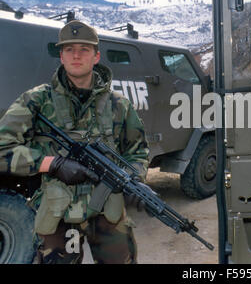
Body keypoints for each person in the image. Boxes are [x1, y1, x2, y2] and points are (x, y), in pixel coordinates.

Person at [0, 20, 150, 264]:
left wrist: (134, 179)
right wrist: (53, 164)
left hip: (108, 211)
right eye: (69, 49)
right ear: (61, 56)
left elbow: (138, 151)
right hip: (58, 211)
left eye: (84, 49)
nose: (76, 55)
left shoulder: (118, 105)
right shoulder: (36, 100)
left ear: (96, 56)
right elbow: (2, 148)